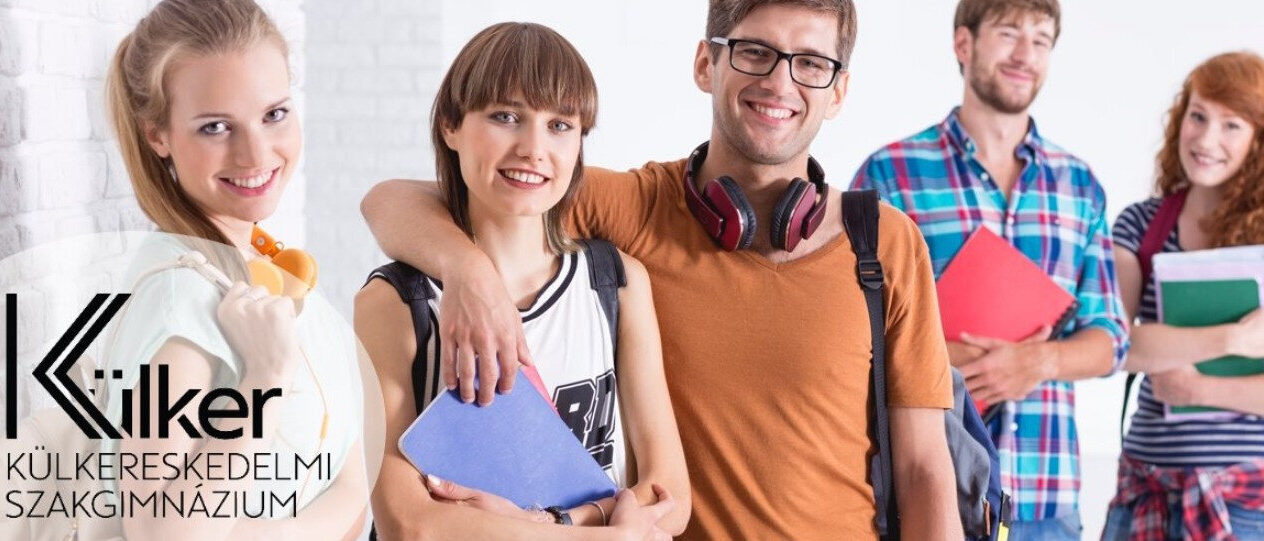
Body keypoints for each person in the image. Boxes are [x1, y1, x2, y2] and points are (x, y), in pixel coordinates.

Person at [360, 1, 962, 539]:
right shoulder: (634, 208)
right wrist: (468, 273)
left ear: (839, 90)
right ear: (705, 63)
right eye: (755, 52)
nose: (780, 81)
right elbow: (400, 198)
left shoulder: (883, 245)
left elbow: (923, 470)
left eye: (810, 63)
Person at [354, 22, 689, 541]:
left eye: (560, 125)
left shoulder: (616, 283)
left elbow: (670, 497)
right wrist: (609, 532)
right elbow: (409, 524)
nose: (534, 148)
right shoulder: (394, 303)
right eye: (506, 117)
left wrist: (551, 523)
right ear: (450, 125)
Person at [850, 0, 1130, 538]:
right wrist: (950, 360)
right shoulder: (891, 173)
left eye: (1041, 40)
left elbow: (1111, 339)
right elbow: (853, 332)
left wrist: (1038, 362)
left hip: (1048, 504)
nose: (1026, 54)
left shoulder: (1079, 185)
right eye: (1008, 33)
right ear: (964, 44)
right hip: (932, 494)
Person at [102, 1, 367, 539]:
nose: (255, 154)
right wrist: (265, 378)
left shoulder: (271, 271)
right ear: (157, 135)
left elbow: (354, 487)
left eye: (274, 114)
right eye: (216, 127)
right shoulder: (181, 299)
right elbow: (159, 532)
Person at [1101, 51, 1264, 540]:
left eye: (1231, 125)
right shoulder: (1141, 224)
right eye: (1198, 116)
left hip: (1245, 505)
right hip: (1145, 489)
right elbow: (1114, 343)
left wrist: (1197, 389)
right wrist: (1235, 339)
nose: (1206, 140)